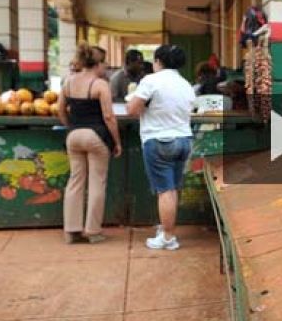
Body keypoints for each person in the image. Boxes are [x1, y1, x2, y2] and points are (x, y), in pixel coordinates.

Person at [126, 44, 195, 250]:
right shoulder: (186, 84)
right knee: (172, 189)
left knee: (165, 191)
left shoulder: (151, 81)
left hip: (159, 140)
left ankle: (168, 237)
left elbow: (132, 110)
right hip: (183, 140)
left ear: (158, 61)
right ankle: (167, 228)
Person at [58, 41, 122, 244]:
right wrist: (117, 142)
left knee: (75, 181)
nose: (106, 68)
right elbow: (109, 117)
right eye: (104, 64)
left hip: (73, 136)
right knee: (97, 183)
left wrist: (71, 126)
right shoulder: (100, 84)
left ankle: (71, 230)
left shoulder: (68, 82)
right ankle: (93, 231)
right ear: (97, 64)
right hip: (96, 136)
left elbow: (60, 110)